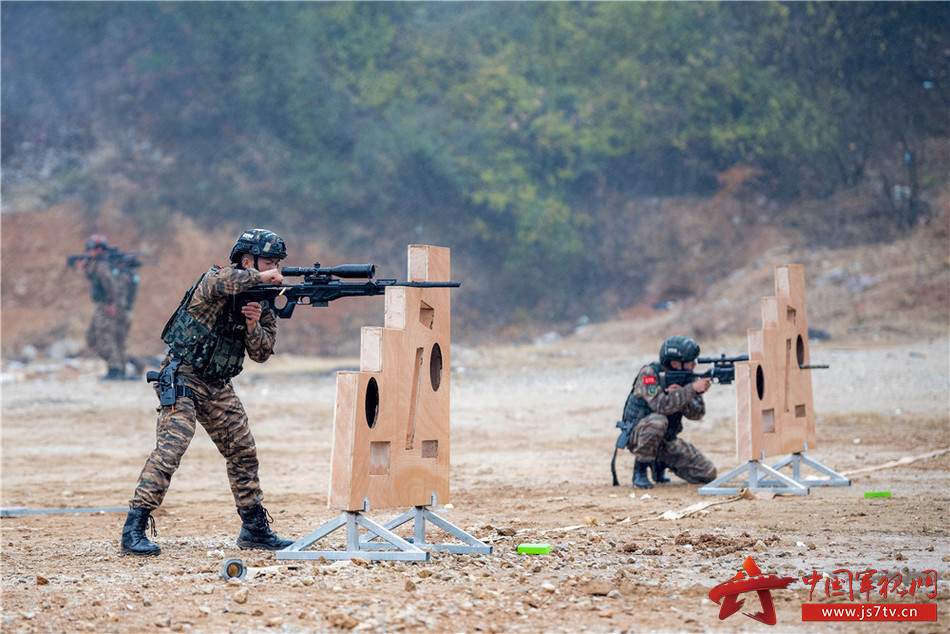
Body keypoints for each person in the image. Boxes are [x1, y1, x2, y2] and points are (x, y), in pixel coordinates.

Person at [121, 228, 295, 556]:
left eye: (278, 264)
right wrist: (258, 278)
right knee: (171, 450)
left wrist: (253, 325)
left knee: (243, 452)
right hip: (183, 377)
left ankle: (254, 529)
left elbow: (262, 353)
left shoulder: (263, 301)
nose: (276, 269)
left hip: (217, 384)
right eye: (269, 262)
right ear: (247, 261)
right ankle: (134, 527)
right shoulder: (218, 280)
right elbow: (221, 282)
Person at [619, 335, 718, 489]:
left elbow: (697, 414)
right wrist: (690, 389)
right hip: (639, 436)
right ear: (675, 363)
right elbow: (660, 406)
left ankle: (660, 463)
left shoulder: (687, 380)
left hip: (667, 440)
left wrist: (685, 395)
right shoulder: (649, 375)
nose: (694, 364)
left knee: (707, 473)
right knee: (658, 421)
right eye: (690, 361)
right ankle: (640, 470)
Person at [80, 234, 129, 380]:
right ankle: (117, 367)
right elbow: (97, 281)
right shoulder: (101, 264)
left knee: (104, 337)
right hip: (104, 305)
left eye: (92, 249)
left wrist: (110, 303)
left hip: (105, 306)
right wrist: (86, 269)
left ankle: (115, 369)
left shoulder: (102, 265)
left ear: (99, 249)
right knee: (96, 336)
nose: (89, 252)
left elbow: (110, 284)